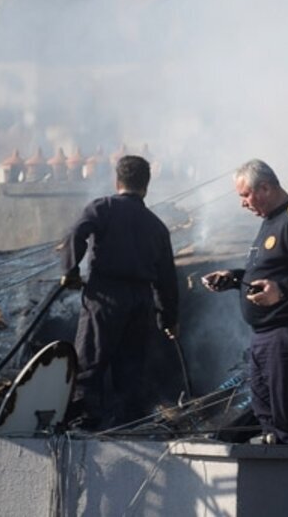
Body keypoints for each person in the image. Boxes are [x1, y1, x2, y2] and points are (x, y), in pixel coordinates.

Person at [202, 159, 288, 444]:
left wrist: (283, 289)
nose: (242, 204)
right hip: (264, 337)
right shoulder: (268, 222)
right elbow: (269, 272)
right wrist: (233, 278)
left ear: (264, 188)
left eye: (244, 195)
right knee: (266, 414)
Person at [60, 155, 179, 430]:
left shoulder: (103, 207)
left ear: (117, 181)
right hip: (141, 302)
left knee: (90, 362)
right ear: (146, 186)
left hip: (105, 296)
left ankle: (85, 423)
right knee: (132, 369)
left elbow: (76, 233)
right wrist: (169, 319)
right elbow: (167, 279)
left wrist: (70, 270)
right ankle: (128, 426)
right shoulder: (156, 226)